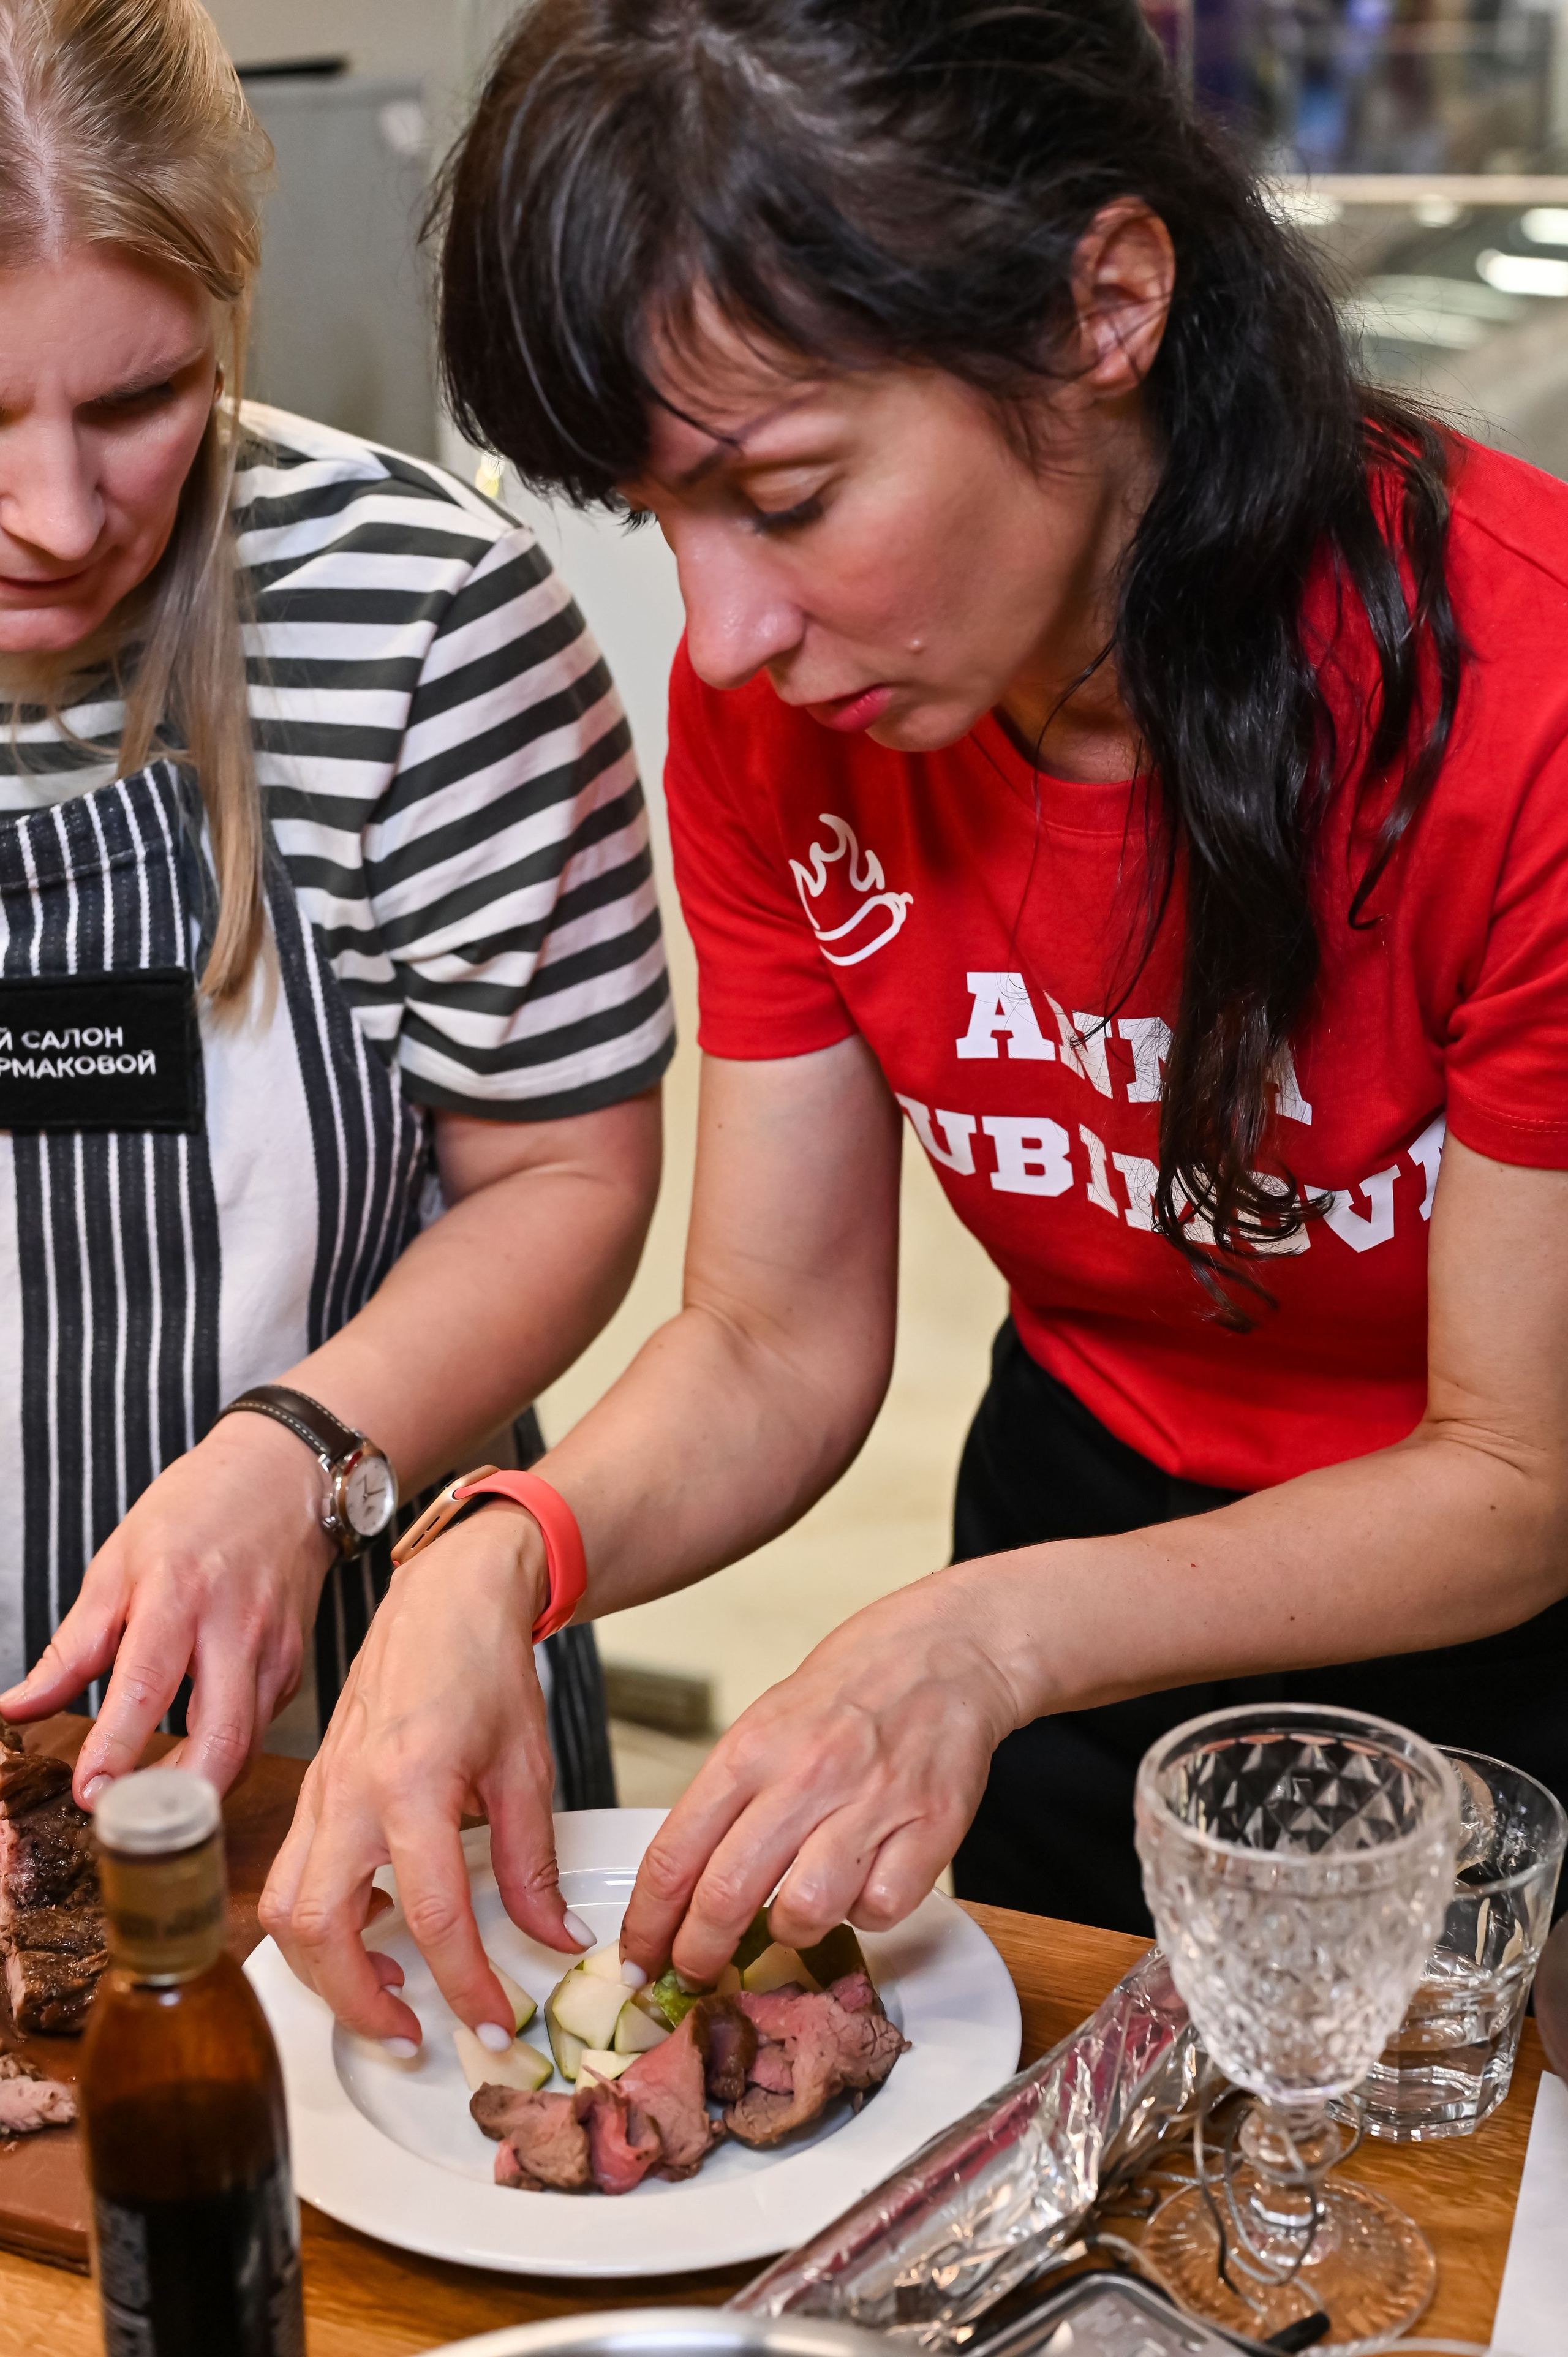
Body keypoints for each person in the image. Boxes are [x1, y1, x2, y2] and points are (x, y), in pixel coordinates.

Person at [262, 0, 1568, 2056]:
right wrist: (498, 1559)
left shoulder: (1522, 699)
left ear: (1105, 303)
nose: (722, 636)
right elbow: (776, 1336)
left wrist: (977, 1637)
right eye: (654, 522)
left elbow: (1513, 1470)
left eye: (782, 496)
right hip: (1080, 1530)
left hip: (1483, 1632)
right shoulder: (780, 725)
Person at [0, 0, 671, 1814]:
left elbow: (561, 1174)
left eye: (142, 400)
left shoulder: (428, 625)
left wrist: (296, 1456)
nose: (59, 515)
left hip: (356, 1714)